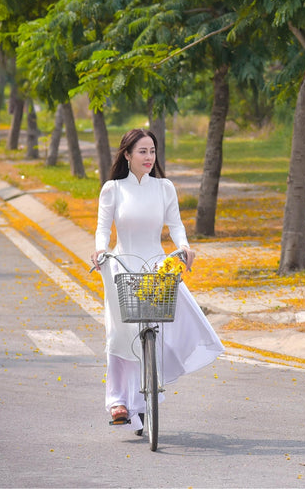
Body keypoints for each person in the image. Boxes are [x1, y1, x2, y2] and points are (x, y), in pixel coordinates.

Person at [93, 128, 224, 429]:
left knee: (160, 323)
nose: (149, 157)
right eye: (142, 151)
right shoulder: (112, 189)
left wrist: (184, 247)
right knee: (119, 334)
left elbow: (176, 226)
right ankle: (118, 401)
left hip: (155, 264)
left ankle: (144, 396)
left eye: (152, 151)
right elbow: (103, 229)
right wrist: (100, 250)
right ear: (127, 155)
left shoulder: (164, 188)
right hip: (121, 266)